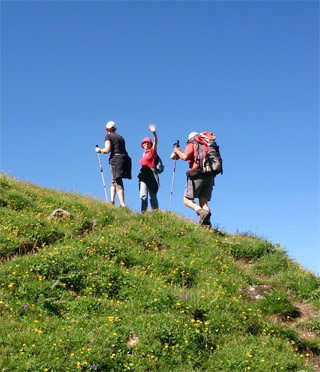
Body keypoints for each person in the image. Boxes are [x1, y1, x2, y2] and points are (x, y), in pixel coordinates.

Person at [173, 131, 215, 227]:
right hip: (209, 176)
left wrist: (177, 151)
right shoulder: (207, 144)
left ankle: (200, 212)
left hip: (197, 174)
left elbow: (185, 156)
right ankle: (206, 226)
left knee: (187, 200)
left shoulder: (193, 142)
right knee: (203, 202)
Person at [95, 121, 132, 207]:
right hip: (124, 159)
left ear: (106, 129)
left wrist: (99, 150)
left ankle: (123, 205)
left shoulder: (108, 136)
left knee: (118, 180)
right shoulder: (121, 138)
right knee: (114, 180)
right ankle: (112, 201)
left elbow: (107, 150)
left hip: (116, 160)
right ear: (115, 129)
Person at [138, 124, 160, 212]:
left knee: (152, 195)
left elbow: (156, 141)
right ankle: (144, 212)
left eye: (147, 142)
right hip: (143, 174)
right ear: (142, 145)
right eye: (144, 143)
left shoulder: (152, 151)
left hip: (152, 174)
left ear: (150, 144)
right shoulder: (143, 154)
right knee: (143, 195)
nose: (146, 143)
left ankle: (156, 212)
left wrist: (154, 133)